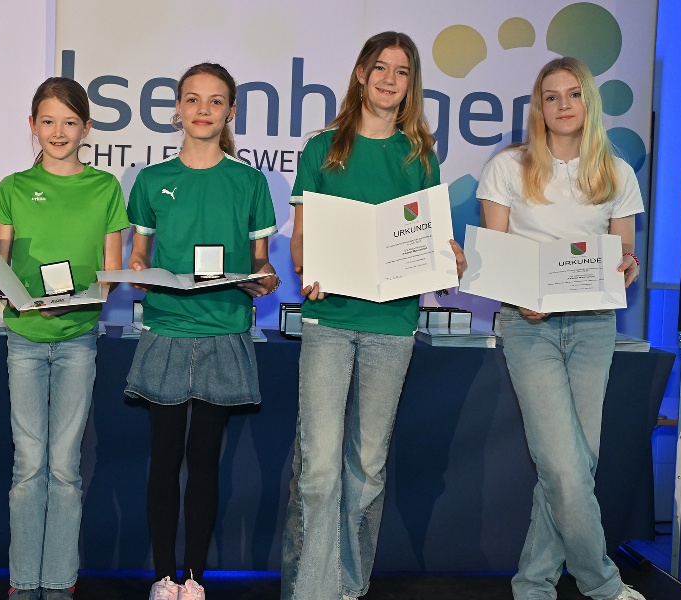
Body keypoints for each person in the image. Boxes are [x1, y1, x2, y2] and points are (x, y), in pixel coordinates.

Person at [281, 31, 466, 600]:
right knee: (318, 469)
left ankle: (349, 586)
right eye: (380, 67)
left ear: (411, 84)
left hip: (393, 326)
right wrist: (307, 267)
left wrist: (449, 260)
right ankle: (310, 590)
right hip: (329, 321)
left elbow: (431, 243)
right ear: (361, 73)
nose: (390, 79)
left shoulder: (420, 155)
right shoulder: (322, 148)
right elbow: (301, 241)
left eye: (402, 71)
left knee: (367, 469)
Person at [477, 57, 645, 600]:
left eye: (573, 94)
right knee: (566, 467)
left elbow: (624, 252)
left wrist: (627, 265)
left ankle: (533, 585)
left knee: (573, 465)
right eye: (551, 97)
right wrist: (521, 296)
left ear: (588, 102)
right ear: (539, 107)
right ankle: (603, 584)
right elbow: (495, 253)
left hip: (594, 326)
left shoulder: (617, 173)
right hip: (530, 327)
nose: (563, 105)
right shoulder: (508, 167)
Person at [124, 62, 279, 600]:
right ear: (177, 110)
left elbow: (261, 261)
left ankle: (194, 578)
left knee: (206, 461)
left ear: (231, 111)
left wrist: (264, 278)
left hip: (224, 331)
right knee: (165, 459)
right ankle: (163, 577)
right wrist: (137, 271)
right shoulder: (152, 180)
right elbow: (139, 255)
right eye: (193, 99)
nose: (203, 110)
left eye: (216, 101)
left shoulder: (250, 181)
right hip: (166, 329)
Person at [0, 77, 129, 600]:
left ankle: (59, 579)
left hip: (78, 340)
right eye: (47, 121)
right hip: (24, 338)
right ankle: (24, 581)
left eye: (70, 122)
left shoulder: (105, 188)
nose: (58, 131)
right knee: (29, 464)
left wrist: (80, 298)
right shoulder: (12, 187)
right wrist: (12, 288)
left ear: (86, 128)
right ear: (32, 125)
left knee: (64, 467)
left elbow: (111, 272)